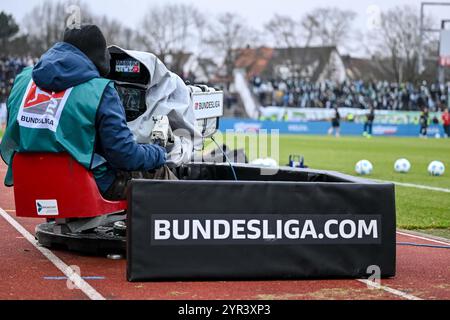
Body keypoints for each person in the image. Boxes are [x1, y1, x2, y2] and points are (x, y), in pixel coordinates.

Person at [0, 25, 167, 200]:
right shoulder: (100, 90)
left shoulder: (22, 79)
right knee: (158, 171)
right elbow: (125, 156)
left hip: (31, 185)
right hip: (84, 190)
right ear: (99, 57)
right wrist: (158, 152)